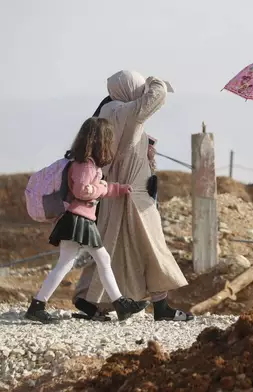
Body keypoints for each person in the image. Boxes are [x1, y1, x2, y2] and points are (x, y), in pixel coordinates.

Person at [73, 70, 193, 322]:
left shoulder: (109, 110)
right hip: (132, 196)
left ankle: (92, 300)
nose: (140, 93)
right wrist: (154, 81)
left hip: (116, 193)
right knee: (151, 247)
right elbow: (156, 98)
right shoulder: (122, 110)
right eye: (137, 88)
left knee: (113, 249)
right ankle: (161, 308)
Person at [25, 117, 147, 324]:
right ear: (101, 140)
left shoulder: (84, 163)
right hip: (78, 220)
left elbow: (94, 187)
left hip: (77, 219)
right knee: (91, 260)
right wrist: (101, 188)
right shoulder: (86, 165)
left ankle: (38, 305)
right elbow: (83, 190)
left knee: (80, 262)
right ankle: (120, 304)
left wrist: (116, 188)